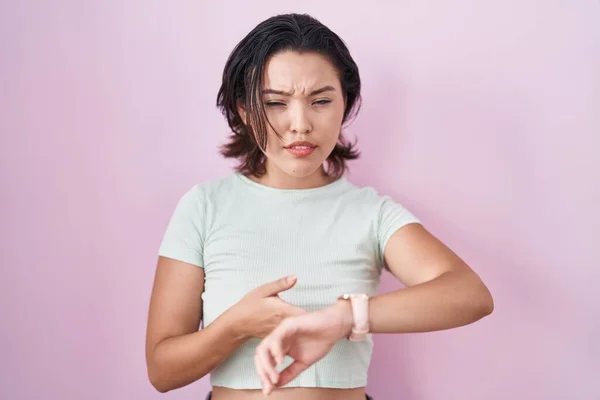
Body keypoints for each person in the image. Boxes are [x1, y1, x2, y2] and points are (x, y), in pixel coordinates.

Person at [145, 12, 494, 400]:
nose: (300, 124)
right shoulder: (204, 207)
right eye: (275, 103)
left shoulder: (370, 213)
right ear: (245, 111)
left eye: (321, 101)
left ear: (345, 105)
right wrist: (237, 325)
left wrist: (346, 317)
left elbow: (469, 294)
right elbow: (162, 370)